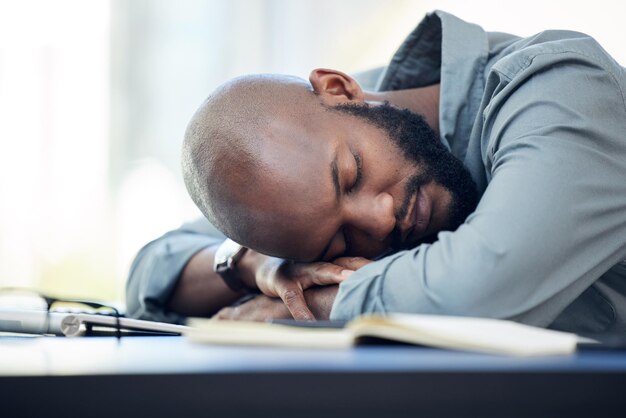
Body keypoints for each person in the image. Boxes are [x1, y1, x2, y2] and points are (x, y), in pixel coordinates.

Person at [126, 10, 626, 334]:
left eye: (352, 175)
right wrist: (257, 268)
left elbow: (479, 287)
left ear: (342, 90)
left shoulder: (561, 87)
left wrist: (304, 309)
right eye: (338, 242)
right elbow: (153, 269)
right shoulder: (315, 156)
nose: (380, 218)